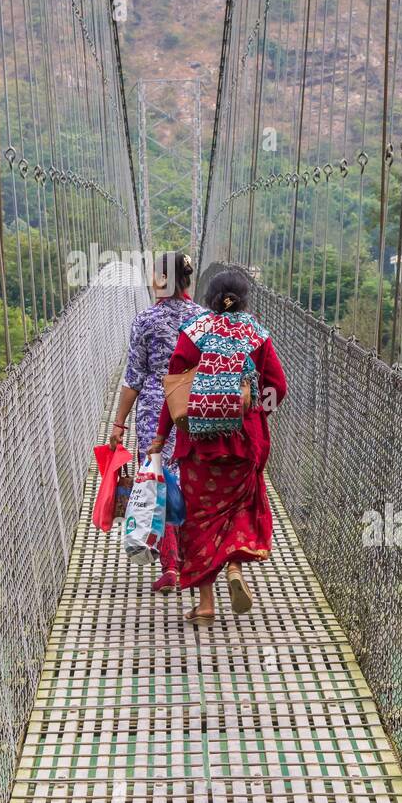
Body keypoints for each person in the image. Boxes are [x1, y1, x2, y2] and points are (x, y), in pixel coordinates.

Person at [148, 266, 287, 623]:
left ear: (208, 299)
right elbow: (277, 386)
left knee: (200, 519)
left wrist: (161, 437)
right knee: (238, 508)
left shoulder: (193, 332)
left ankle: (206, 605)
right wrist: (256, 413)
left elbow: (175, 390)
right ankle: (235, 570)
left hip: (199, 446)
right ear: (244, 300)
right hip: (243, 445)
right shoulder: (256, 334)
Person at [109, 252, 203, 592]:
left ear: (162, 280)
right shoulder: (204, 319)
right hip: (194, 411)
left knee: (158, 484)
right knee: (191, 480)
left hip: (153, 414)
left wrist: (118, 424)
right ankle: (194, 561)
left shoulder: (145, 320)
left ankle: (170, 566)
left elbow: (134, 378)